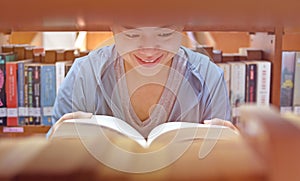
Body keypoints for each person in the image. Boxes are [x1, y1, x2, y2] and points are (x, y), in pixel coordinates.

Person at [47, 24, 238, 139]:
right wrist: (56, 147)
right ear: (112, 26)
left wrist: (233, 155)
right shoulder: (84, 74)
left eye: (164, 34)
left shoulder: (208, 77)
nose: (148, 51)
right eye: (132, 34)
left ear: (181, 26)